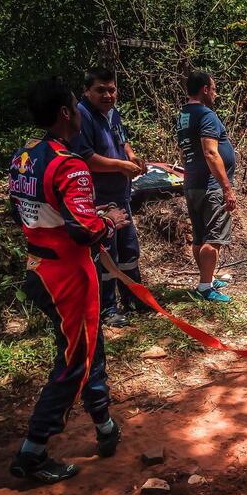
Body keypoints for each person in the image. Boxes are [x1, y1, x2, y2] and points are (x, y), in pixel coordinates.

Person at [8, 76, 129, 484]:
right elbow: (83, 229)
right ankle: (33, 452)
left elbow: (21, 211)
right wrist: (109, 222)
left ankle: (105, 426)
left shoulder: (24, 156)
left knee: (87, 345)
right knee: (74, 361)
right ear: (65, 113)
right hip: (68, 276)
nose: (80, 111)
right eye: (75, 104)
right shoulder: (68, 165)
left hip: (39, 266)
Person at [72, 67, 144, 327]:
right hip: (99, 200)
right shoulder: (82, 116)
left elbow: (123, 141)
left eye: (111, 89)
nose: (107, 95)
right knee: (106, 255)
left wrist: (132, 156)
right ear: (87, 91)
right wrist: (120, 166)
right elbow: (86, 158)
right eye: (100, 90)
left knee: (129, 250)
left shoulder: (112, 114)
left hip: (121, 195)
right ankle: (107, 308)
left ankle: (134, 298)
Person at [177, 70, 237, 302]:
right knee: (213, 239)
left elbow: (185, 152)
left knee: (200, 237)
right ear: (204, 89)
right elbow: (211, 153)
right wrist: (226, 188)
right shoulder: (206, 115)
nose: (215, 92)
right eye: (213, 88)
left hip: (193, 184)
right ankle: (205, 287)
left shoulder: (183, 115)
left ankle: (207, 278)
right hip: (210, 186)